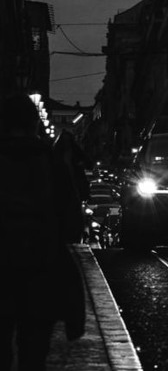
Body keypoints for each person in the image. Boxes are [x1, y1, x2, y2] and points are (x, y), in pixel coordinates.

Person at [0, 93, 85, 371]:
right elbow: (72, 225)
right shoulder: (51, 162)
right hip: (41, 271)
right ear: (35, 123)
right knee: (33, 353)